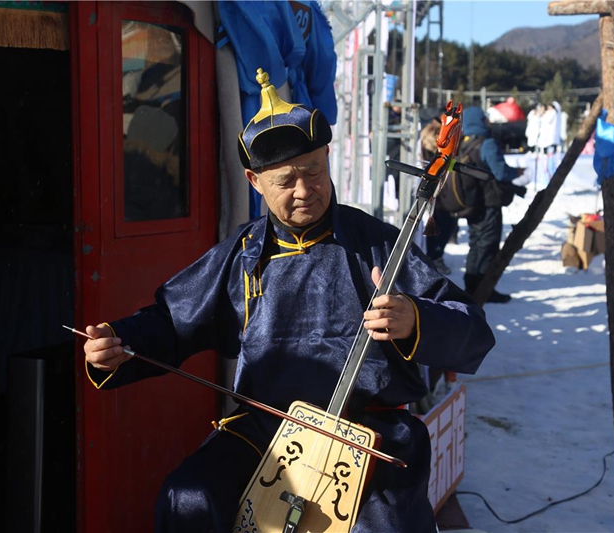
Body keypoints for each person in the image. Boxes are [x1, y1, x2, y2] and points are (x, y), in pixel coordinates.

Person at [83, 69, 495, 533]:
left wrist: (414, 319)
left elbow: (472, 328)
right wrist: (118, 342)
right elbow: (171, 320)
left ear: (328, 158)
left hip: (370, 432)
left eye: (313, 171)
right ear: (254, 181)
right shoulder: (241, 256)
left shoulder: (379, 245)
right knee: (189, 498)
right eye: (285, 180)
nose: (304, 190)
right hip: (265, 430)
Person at [458, 106, 524, 303]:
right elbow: (501, 172)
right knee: (488, 247)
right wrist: (518, 172)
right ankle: (484, 290)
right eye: (485, 118)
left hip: (471, 204)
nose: (488, 122)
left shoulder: (464, 143)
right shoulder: (486, 144)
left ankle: (471, 287)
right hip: (488, 204)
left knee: (475, 244)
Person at [420, 116, 457, 275]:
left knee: (440, 226)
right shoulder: (434, 143)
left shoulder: (429, 137)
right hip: (440, 194)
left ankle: (435, 255)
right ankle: (435, 256)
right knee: (442, 226)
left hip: (439, 192)